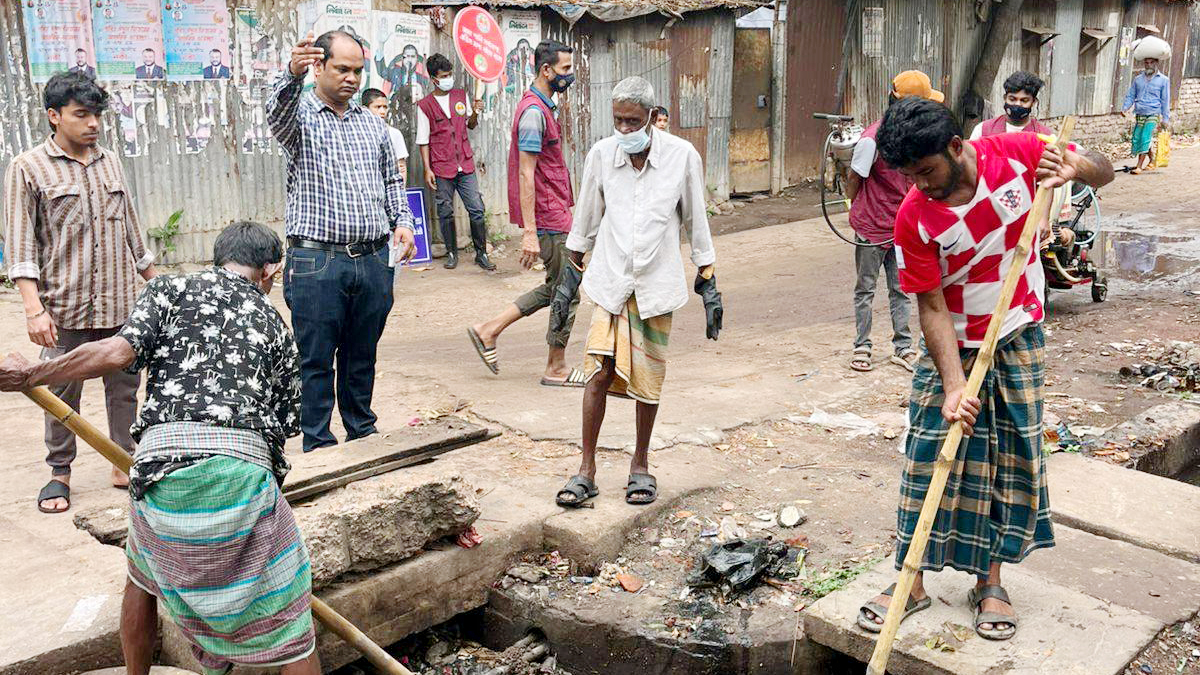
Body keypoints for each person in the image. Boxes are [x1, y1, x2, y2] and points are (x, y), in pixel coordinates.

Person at [0, 221, 321, 675]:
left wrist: (33, 374)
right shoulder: (276, 326)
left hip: (159, 476)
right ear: (270, 270)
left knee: (140, 579)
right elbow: (285, 428)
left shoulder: (169, 290)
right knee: (292, 623)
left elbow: (115, 352)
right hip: (242, 475)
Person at [856, 97, 1113, 641]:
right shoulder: (913, 218)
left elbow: (1104, 169)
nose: (917, 186)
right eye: (907, 176)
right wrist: (953, 386)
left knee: (1008, 455)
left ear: (956, 147)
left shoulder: (1018, 153)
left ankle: (989, 582)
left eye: (925, 172)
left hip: (1017, 329)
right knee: (928, 452)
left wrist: (1073, 167)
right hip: (954, 341)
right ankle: (912, 581)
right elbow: (930, 305)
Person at [551, 76, 721, 507]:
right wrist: (570, 273)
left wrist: (708, 276)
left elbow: (695, 219)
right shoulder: (602, 156)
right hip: (610, 282)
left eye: (633, 121)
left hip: (655, 284)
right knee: (598, 372)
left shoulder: (682, 157)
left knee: (648, 379)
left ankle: (640, 465)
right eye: (618, 121)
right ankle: (585, 469)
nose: (625, 130)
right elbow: (587, 215)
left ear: (651, 117)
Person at [4, 71, 157, 513]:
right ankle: (59, 471)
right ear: (54, 116)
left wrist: (160, 287)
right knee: (60, 389)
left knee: (125, 387)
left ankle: (122, 461)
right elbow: (21, 245)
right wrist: (34, 310)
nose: (92, 124)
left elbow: (133, 231)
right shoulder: (28, 168)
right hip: (64, 305)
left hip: (119, 301)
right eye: (81, 114)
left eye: (97, 115)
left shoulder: (109, 161)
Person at [267, 30, 415, 452]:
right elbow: (276, 111)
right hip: (317, 261)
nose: (351, 79)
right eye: (341, 69)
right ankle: (317, 443)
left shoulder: (373, 125)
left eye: (357, 70)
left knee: (361, 354)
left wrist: (402, 221)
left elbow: (391, 181)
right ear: (319, 67)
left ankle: (362, 433)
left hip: (371, 260)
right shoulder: (299, 118)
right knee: (315, 359)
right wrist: (290, 75)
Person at [468, 40, 579, 385]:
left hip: (554, 210)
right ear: (547, 71)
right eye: (565, 70)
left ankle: (489, 329)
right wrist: (530, 231)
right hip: (549, 216)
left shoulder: (542, 108)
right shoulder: (533, 113)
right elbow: (525, 172)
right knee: (567, 289)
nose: (569, 76)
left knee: (558, 285)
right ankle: (556, 367)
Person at [843, 70, 943, 373]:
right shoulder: (872, 140)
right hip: (872, 228)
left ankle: (902, 347)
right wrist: (855, 208)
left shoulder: (916, 141)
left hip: (903, 228)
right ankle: (862, 346)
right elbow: (854, 177)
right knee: (866, 288)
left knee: (901, 288)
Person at [971, 71, 1076, 249]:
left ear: (1033, 102)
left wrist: (1043, 219)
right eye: (1012, 99)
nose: (1017, 104)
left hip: (1028, 207)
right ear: (1004, 98)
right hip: (989, 207)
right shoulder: (983, 130)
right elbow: (972, 171)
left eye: (1024, 100)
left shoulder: (1044, 136)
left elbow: (1047, 180)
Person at [417, 53, 493, 271]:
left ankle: (482, 253)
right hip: (442, 166)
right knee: (445, 211)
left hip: (465, 164)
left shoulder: (461, 96)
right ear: (434, 79)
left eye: (450, 74)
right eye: (444, 76)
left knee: (477, 209)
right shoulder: (425, 105)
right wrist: (427, 169)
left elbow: (470, 125)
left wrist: (476, 112)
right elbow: (423, 140)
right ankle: (451, 253)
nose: (449, 79)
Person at [1122, 57, 1171, 174]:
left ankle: (1139, 166)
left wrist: (1165, 118)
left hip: (1153, 113)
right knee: (1137, 137)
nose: (1149, 65)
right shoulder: (1138, 79)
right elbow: (1131, 95)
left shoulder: (1163, 80)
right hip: (1140, 112)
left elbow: (1165, 100)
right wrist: (1125, 108)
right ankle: (1152, 159)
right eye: (1146, 63)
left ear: (1156, 63)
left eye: (1151, 62)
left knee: (1145, 136)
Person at [362, 87, 409, 183]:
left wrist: (401, 191)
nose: (382, 111)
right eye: (378, 107)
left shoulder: (395, 133)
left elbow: (402, 167)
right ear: (365, 109)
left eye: (385, 107)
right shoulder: (358, 133)